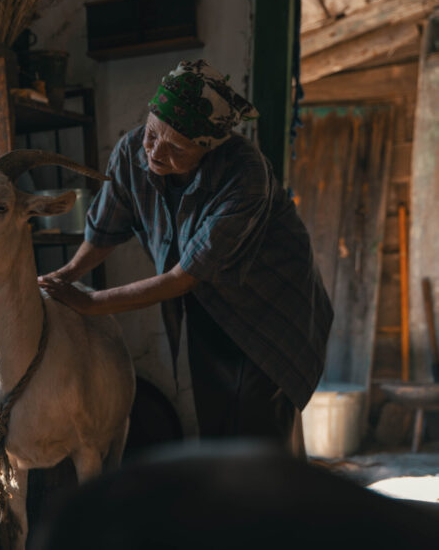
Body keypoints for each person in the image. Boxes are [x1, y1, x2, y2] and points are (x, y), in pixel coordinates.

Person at [38, 59, 333, 446]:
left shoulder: (245, 176)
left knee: (259, 427)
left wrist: (91, 303)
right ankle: (230, 503)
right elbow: (106, 228)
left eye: (176, 147)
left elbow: (183, 277)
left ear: (207, 150)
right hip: (210, 299)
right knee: (217, 418)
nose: (156, 153)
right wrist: (67, 275)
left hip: (272, 305)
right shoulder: (132, 152)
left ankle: (271, 503)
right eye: (152, 134)